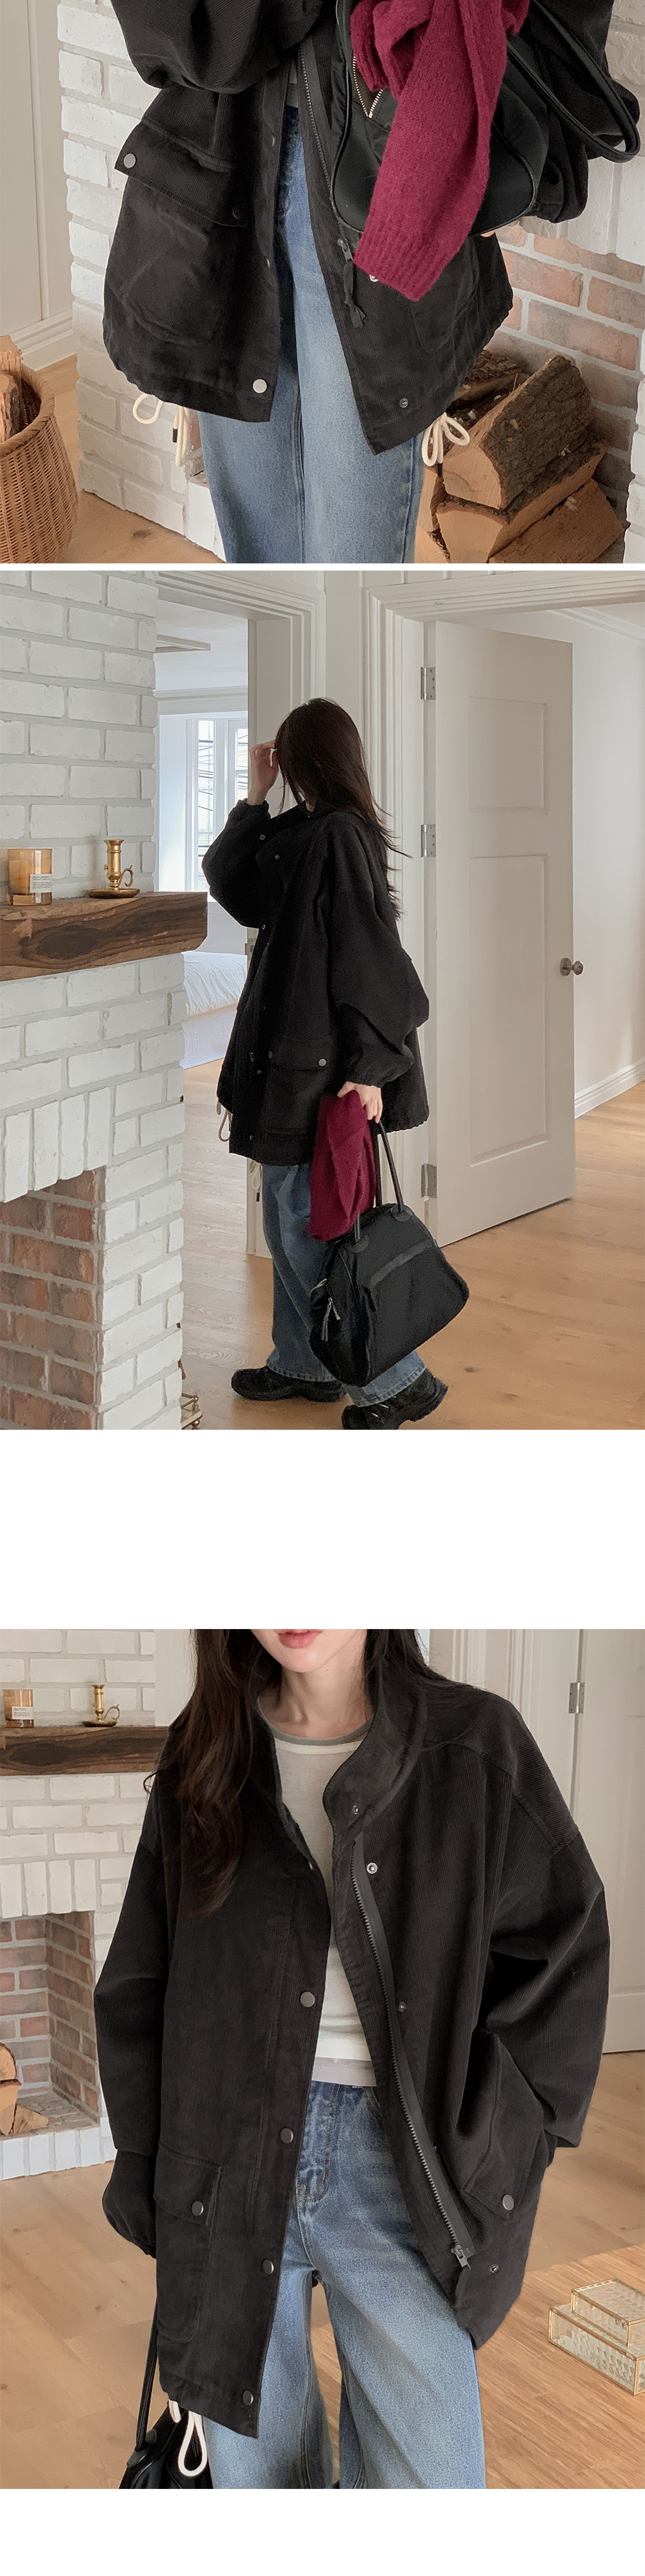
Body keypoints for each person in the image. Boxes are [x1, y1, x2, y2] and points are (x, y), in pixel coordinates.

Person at [91, 0, 614, 563]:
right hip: (216, 210)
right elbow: (155, 18)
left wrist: (478, 158)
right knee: (257, 538)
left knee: (353, 547)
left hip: (375, 205)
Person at [94, 1626, 610, 2491]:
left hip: (400, 2162)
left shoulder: (474, 1744)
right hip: (226, 2154)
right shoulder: (208, 1748)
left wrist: (493, 2144)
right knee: (257, 2482)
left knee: (429, 2481)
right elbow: (143, 1973)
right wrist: (152, 2164)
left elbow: (564, 1950)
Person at [202, 698, 441, 1430]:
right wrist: (254, 797)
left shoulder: (337, 834)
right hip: (289, 1058)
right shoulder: (307, 829)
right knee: (289, 1221)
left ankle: (397, 1382)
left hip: (321, 1067)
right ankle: (304, 1363)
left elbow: (372, 958)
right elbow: (233, 886)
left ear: (309, 758)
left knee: (307, 1227)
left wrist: (370, 1069)